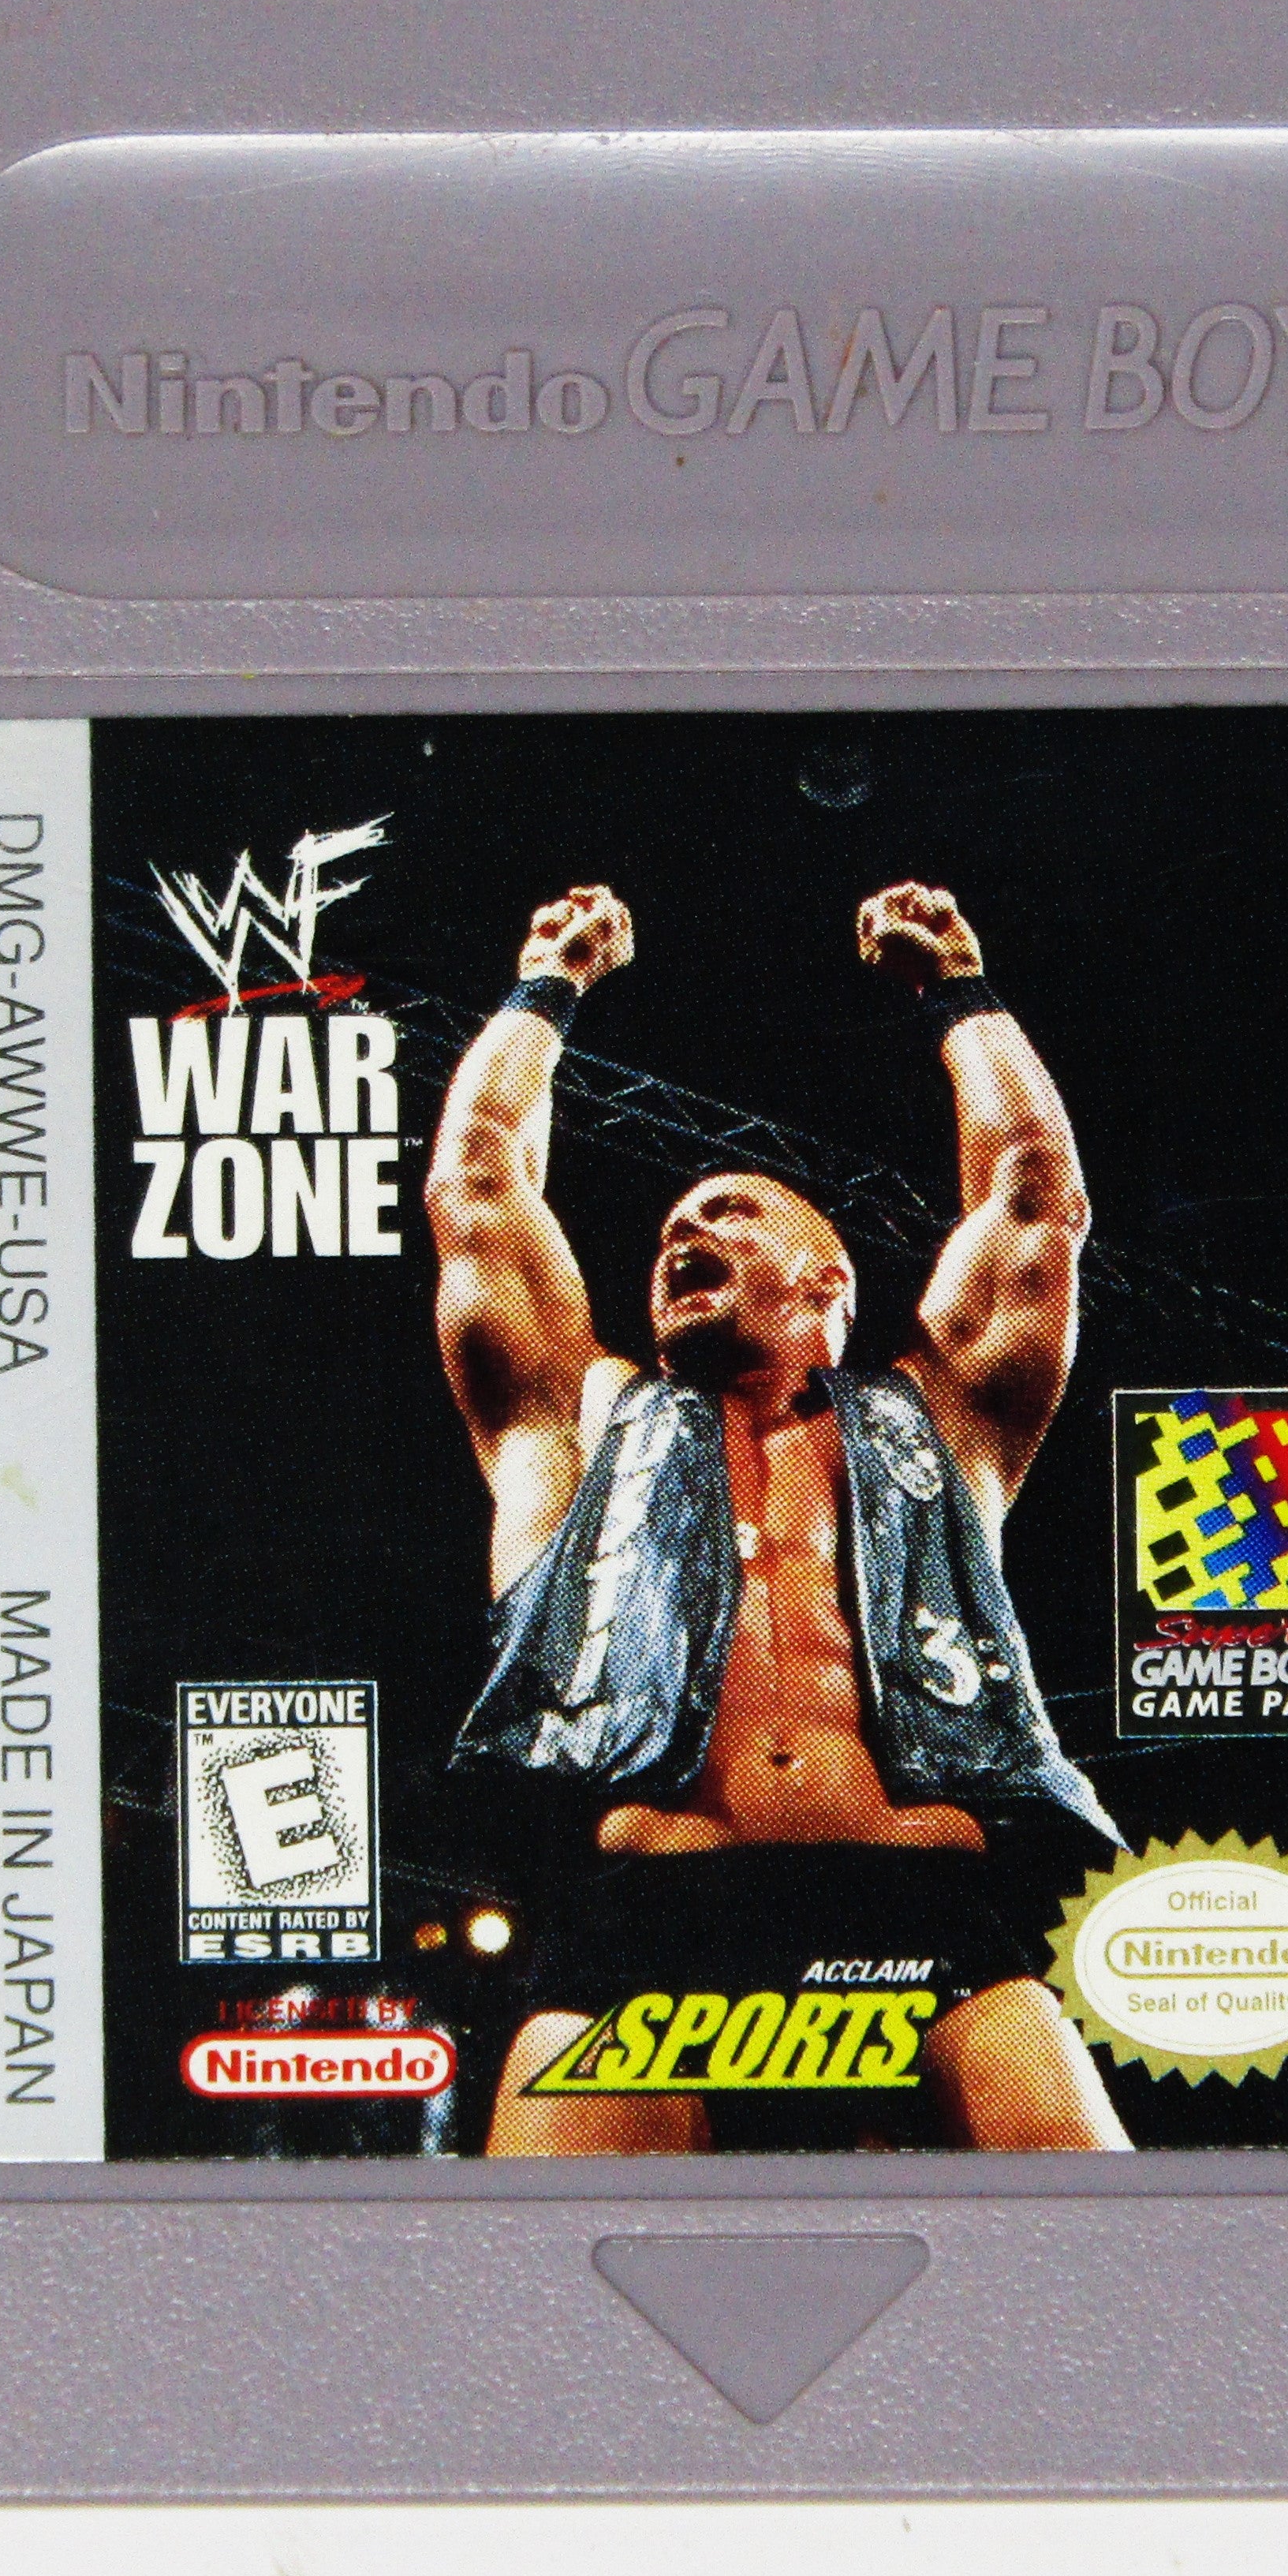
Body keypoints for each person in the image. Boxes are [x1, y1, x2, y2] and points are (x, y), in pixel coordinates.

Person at [428, 877, 1131, 2153]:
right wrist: (547, 985)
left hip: (919, 1918)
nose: (684, 1228)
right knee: (539, 2266)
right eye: (674, 1224)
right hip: (652, 1920)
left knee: (1101, 2251)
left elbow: (1036, 1199)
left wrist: (959, 987)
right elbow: (478, 1183)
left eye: (730, 1212)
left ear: (825, 1283)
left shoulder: (938, 1421)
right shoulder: (577, 1424)